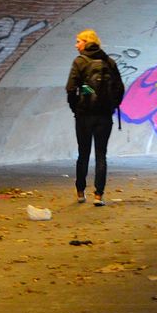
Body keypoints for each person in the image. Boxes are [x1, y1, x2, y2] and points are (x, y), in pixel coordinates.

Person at [66, 29, 124, 207]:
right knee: (101, 155)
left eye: (78, 41)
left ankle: (80, 191)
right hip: (104, 116)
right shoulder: (109, 61)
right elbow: (119, 88)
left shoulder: (80, 62)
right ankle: (99, 195)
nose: (76, 45)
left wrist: (76, 106)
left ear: (86, 42)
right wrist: (111, 106)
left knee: (83, 153)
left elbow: (70, 88)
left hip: (84, 115)